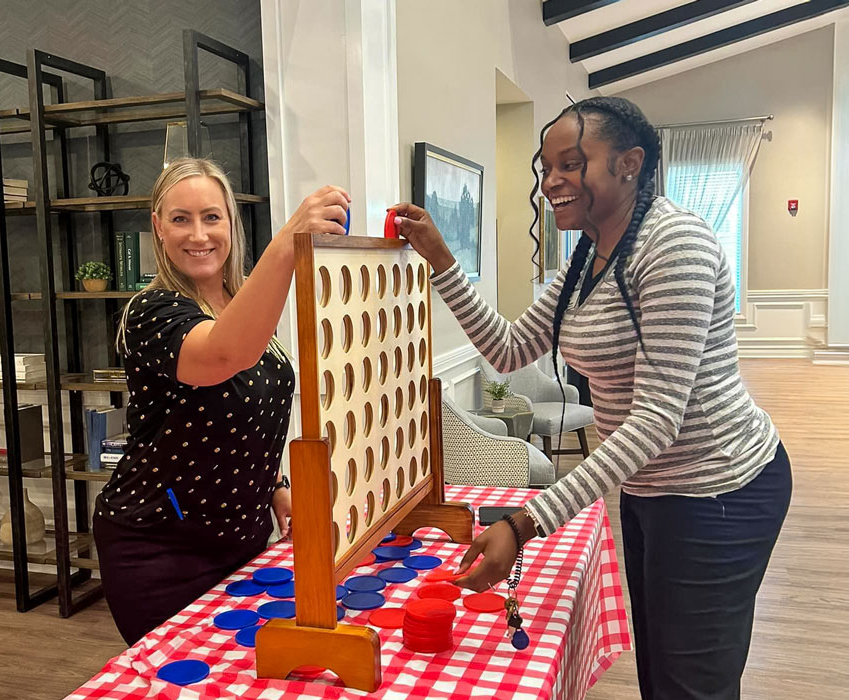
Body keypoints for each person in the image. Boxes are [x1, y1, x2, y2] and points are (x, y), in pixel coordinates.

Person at [392, 97, 790, 700]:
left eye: (572, 164)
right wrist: (444, 261)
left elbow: (656, 420)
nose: (552, 181)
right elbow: (507, 349)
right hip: (651, 488)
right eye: (546, 167)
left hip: (721, 491)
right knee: (661, 667)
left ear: (630, 163)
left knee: (692, 682)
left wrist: (526, 522)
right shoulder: (586, 258)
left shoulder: (672, 243)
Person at [93, 157, 349, 645]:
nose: (199, 234)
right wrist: (289, 240)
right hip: (160, 547)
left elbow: (245, 415)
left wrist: (276, 486)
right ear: (157, 228)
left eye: (212, 217)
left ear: (231, 222)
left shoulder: (240, 300)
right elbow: (224, 355)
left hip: (242, 540)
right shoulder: (151, 311)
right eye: (180, 219)